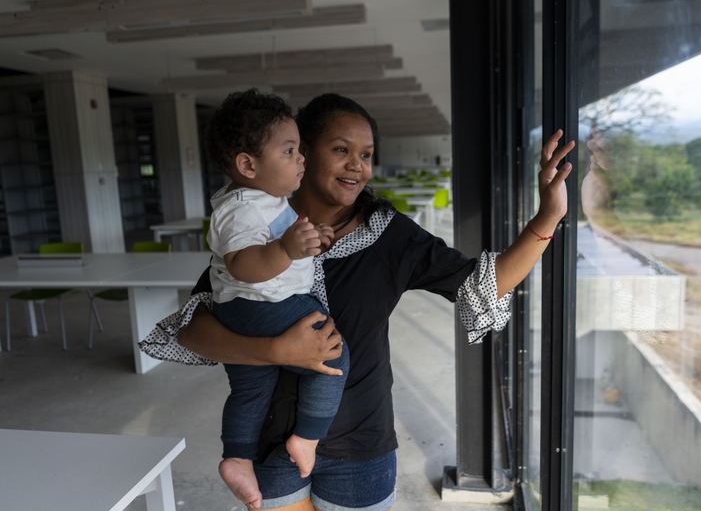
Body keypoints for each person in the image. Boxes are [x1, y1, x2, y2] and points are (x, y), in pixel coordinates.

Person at [141, 92, 573, 511]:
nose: (356, 166)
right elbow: (195, 328)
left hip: (360, 447)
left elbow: (483, 285)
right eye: (341, 149)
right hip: (270, 442)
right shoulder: (257, 222)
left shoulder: (390, 236)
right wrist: (274, 351)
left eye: (366, 155)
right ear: (303, 152)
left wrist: (547, 216)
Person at [205, 90, 350, 509]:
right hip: (259, 305)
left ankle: (237, 457)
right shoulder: (239, 208)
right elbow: (243, 266)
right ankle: (306, 438)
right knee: (332, 354)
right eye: (289, 150)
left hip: (244, 310)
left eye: (299, 149)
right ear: (248, 165)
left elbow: (281, 244)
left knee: (252, 390)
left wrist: (307, 242)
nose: (301, 158)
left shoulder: (264, 201)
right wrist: (286, 249)